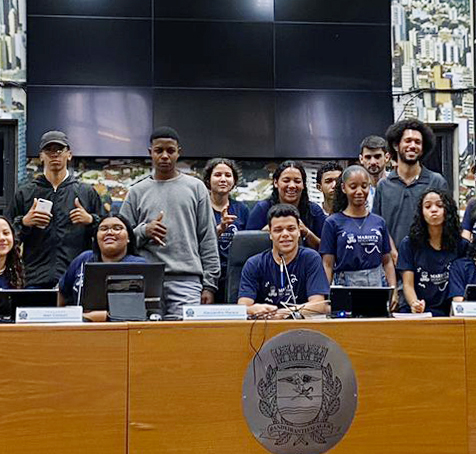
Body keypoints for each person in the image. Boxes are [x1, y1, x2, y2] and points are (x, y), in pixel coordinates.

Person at [119, 127, 220, 315]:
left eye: (170, 151)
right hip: (145, 280)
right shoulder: (136, 191)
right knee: (145, 340)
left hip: (187, 282)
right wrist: (144, 231)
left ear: (178, 152)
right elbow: (121, 238)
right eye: (159, 151)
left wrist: (209, 285)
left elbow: (208, 238)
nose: (165, 156)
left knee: (184, 341)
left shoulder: (196, 188)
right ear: (150, 153)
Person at [9, 130, 103, 288]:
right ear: (41, 156)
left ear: (69, 154)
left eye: (59, 150)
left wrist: (91, 220)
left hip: (76, 278)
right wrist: (24, 222)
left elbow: (107, 232)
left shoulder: (86, 192)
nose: (55, 155)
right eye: (49, 150)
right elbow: (7, 236)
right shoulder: (25, 193)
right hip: (34, 278)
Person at [237, 203, 331, 318]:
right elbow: (242, 308)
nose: (285, 234)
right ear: (270, 234)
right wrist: (253, 309)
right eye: (278, 230)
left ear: (299, 232)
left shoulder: (311, 258)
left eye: (291, 229)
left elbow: (319, 305)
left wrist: (283, 313)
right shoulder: (254, 264)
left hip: (302, 329)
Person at [374, 118, 448, 259]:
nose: (413, 145)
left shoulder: (437, 182)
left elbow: (446, 224)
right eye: (408, 141)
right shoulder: (383, 186)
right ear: (396, 145)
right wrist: (392, 254)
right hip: (392, 267)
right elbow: (378, 226)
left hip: (428, 264)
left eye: (418, 142)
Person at [56, 214, 147, 321]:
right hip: (78, 329)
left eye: (117, 228)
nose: (109, 232)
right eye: (103, 229)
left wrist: (87, 317)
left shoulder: (138, 265)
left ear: (129, 238)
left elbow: (139, 310)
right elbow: (62, 293)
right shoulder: (83, 259)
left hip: (122, 329)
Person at [320, 166, 395, 289]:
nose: (359, 192)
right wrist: (324, 294)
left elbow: (387, 261)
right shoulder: (332, 222)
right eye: (353, 187)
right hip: (345, 285)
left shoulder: (379, 222)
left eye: (364, 186)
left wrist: (393, 290)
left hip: (377, 284)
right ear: (344, 188)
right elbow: (328, 264)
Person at [398, 187, 465, 315]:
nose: (434, 210)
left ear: (448, 210)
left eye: (439, 206)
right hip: (417, 312)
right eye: (428, 206)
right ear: (421, 212)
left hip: (449, 312)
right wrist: (415, 304)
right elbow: (408, 284)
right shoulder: (408, 244)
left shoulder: (461, 245)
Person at [245, 161, 327, 249]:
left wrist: (306, 232)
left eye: (297, 181)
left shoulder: (314, 210)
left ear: (303, 185)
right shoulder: (262, 208)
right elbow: (247, 245)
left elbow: (327, 248)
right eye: (286, 180)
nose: (292, 185)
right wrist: (269, 231)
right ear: (276, 183)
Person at [203, 158, 250, 303]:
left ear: (234, 181)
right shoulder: (201, 208)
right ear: (208, 180)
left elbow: (248, 243)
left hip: (235, 275)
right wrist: (219, 229)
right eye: (218, 175)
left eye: (228, 175)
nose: (223, 179)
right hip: (207, 275)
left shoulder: (242, 209)